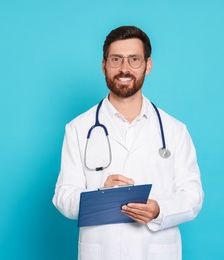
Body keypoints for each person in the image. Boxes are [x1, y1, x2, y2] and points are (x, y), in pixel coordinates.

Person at [52, 25, 204, 260]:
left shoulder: (174, 130)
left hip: (155, 251)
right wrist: (99, 194)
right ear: (104, 65)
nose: (124, 68)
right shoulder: (78, 128)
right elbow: (63, 197)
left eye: (134, 59)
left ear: (148, 65)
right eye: (116, 59)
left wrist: (158, 210)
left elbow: (193, 196)